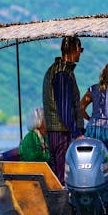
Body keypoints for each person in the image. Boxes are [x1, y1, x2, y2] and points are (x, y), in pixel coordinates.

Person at [42, 35, 85, 183]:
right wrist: (77, 133)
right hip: (62, 133)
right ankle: (63, 204)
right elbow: (65, 108)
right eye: (81, 50)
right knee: (63, 176)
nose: (80, 53)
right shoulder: (62, 74)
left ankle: (56, 204)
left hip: (55, 131)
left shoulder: (56, 70)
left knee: (57, 174)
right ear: (75, 50)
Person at [80, 61, 108, 150]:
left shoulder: (93, 88)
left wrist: (90, 119)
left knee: (91, 157)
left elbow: (81, 108)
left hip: (93, 127)